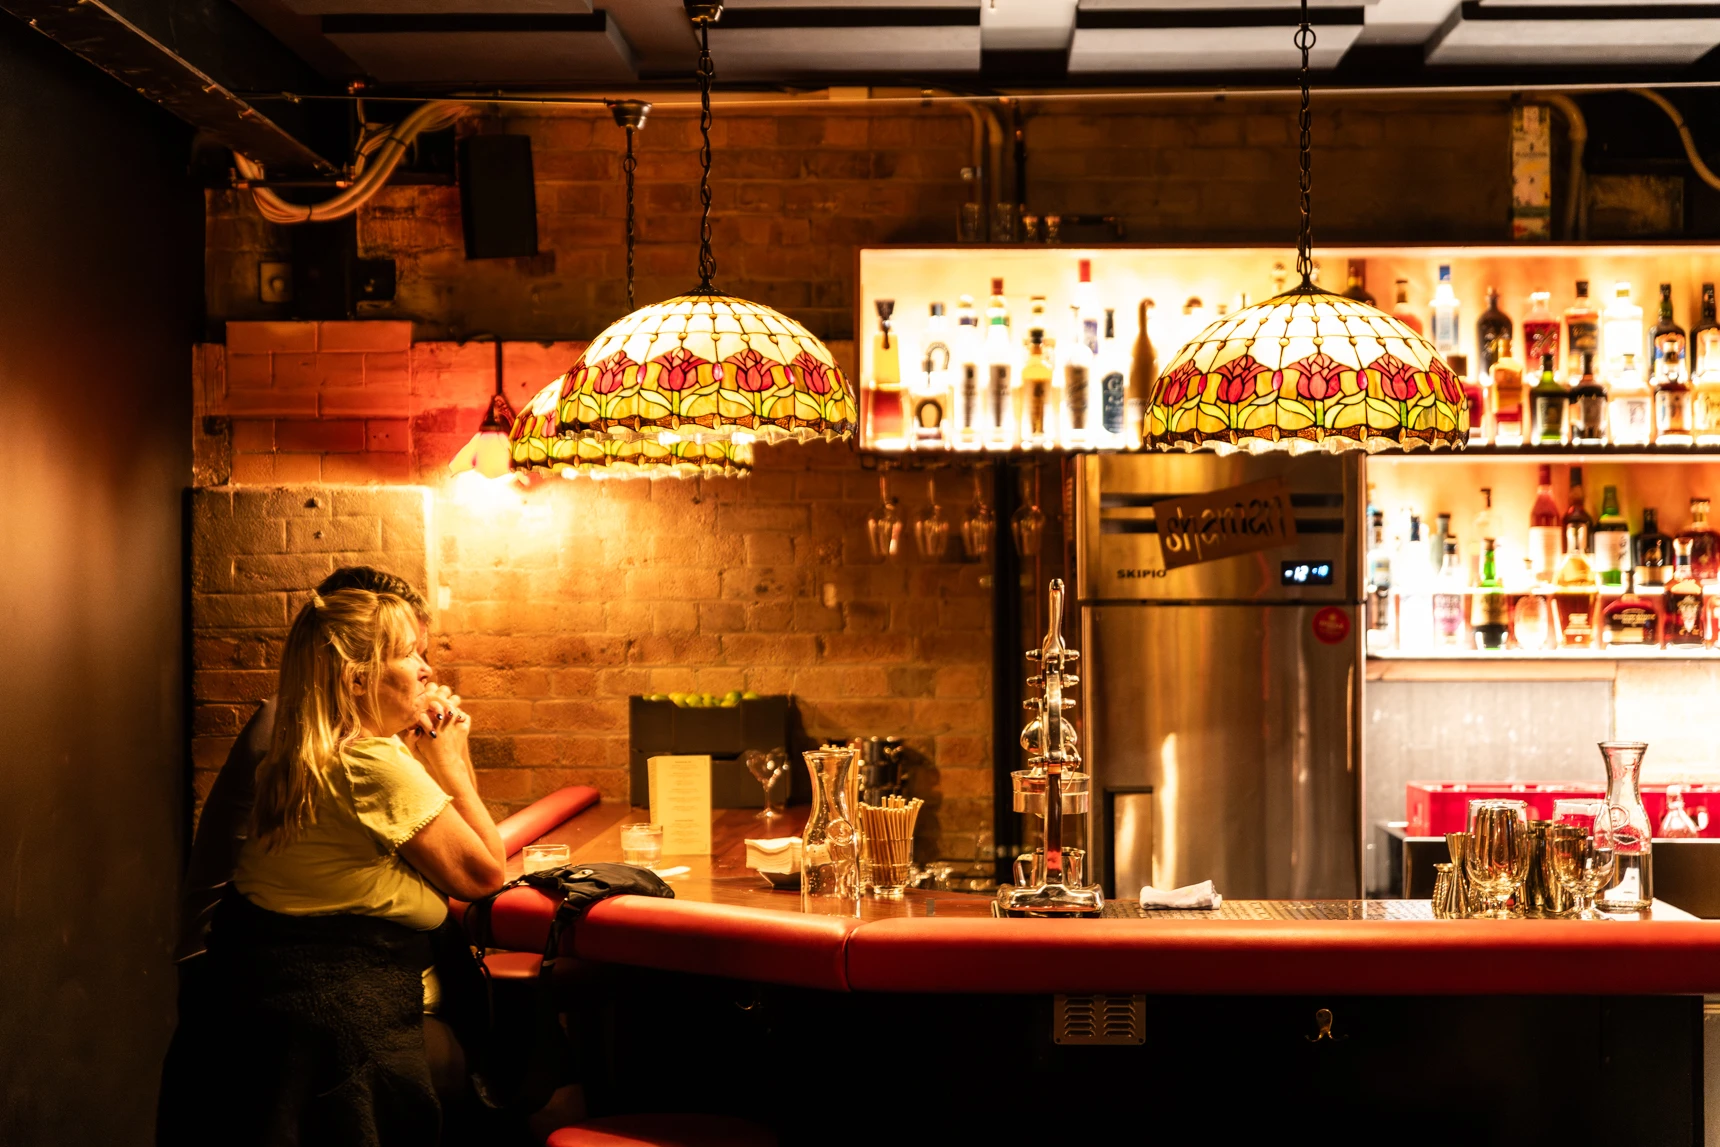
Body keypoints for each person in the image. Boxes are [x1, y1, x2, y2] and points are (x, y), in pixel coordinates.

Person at [159, 587, 506, 1146]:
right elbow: (484, 874)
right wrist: (448, 760)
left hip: (264, 999)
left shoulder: (307, 744)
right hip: (341, 1019)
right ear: (357, 680)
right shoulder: (369, 762)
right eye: (409, 654)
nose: (426, 670)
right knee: (518, 1055)